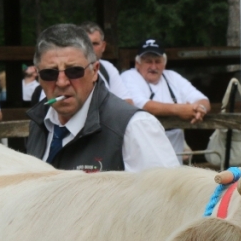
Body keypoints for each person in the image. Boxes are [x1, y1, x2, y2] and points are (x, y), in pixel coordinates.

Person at [26, 24, 178, 172]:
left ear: (94, 71)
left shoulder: (134, 127)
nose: (61, 82)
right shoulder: (39, 122)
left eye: (74, 71)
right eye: (49, 73)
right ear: (38, 76)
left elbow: (170, 193)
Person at [123, 38, 211, 160]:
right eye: (148, 61)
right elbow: (144, 105)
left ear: (164, 63)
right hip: (143, 153)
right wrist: (180, 110)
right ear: (138, 63)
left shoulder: (172, 77)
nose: (153, 66)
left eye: (157, 61)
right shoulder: (129, 77)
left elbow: (202, 99)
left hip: (175, 154)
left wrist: (200, 109)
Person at [80, 21, 133, 103]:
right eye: (86, 43)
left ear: (103, 46)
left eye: (95, 43)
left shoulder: (107, 67)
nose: (90, 48)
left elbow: (127, 102)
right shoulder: (69, 71)